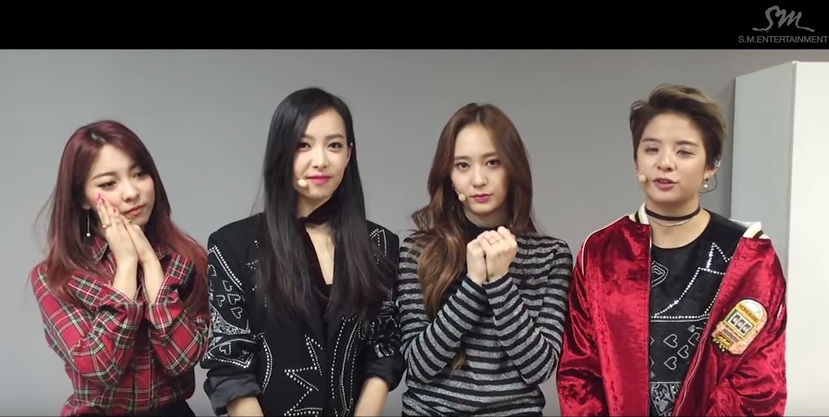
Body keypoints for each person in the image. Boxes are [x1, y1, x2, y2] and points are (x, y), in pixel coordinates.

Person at [556, 84, 788, 416]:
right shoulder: (602, 251)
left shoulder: (749, 255)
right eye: (652, 149)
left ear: (710, 165)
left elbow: (759, 382)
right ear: (636, 159)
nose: (665, 163)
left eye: (684, 152)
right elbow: (579, 371)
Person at [200, 87, 404, 417]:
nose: (320, 160)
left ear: (349, 155)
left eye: (334, 145)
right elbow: (230, 363)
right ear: (280, 153)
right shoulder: (232, 245)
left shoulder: (379, 244)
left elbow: (384, 349)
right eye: (303, 145)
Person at [395, 103, 573, 416]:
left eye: (492, 162)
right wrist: (474, 282)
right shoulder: (418, 251)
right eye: (462, 165)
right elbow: (418, 365)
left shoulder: (551, 256)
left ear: (512, 168)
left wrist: (500, 280)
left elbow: (539, 368)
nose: (478, 179)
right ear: (449, 176)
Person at [29, 120, 210, 416]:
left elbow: (182, 360)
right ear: (82, 198)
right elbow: (101, 367)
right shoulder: (56, 277)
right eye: (108, 184)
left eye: (139, 174)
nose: (131, 192)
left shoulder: (186, 260)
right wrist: (126, 266)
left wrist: (151, 265)